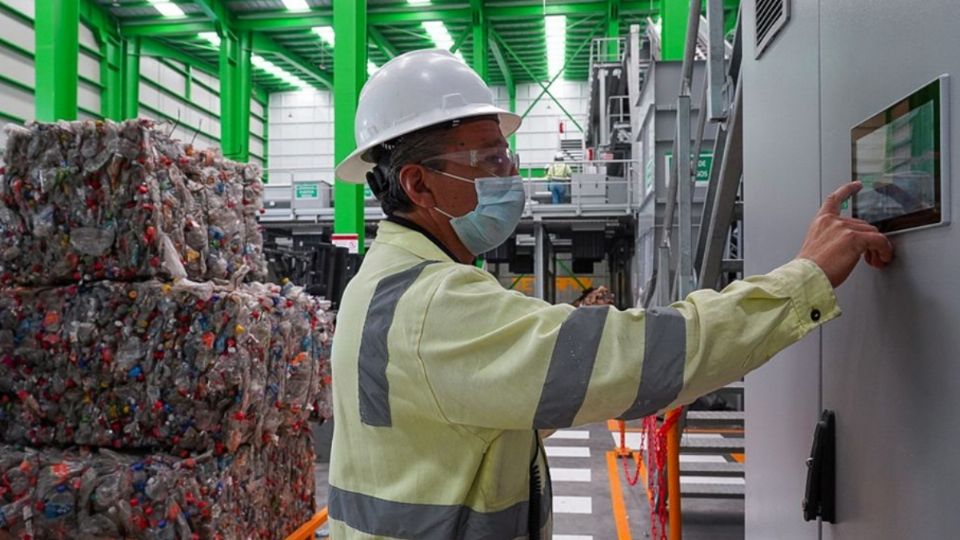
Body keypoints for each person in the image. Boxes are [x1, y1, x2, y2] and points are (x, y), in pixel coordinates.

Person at [328, 49, 894, 539]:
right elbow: (636, 360)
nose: (510, 173)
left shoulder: (378, 286)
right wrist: (802, 281)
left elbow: (475, 402)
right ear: (418, 184)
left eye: (507, 155)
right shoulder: (434, 305)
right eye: (489, 159)